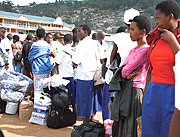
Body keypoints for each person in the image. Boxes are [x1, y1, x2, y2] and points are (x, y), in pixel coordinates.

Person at [142, 0, 180, 137]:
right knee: (150, 129)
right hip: (154, 91)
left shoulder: (174, 38)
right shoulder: (156, 37)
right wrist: (145, 97)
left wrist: (172, 40)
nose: (156, 22)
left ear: (170, 16)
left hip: (173, 91)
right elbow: (150, 70)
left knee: (170, 128)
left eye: (158, 18)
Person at [111, 15, 151, 137]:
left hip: (134, 91)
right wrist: (125, 74)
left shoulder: (144, 49)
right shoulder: (134, 49)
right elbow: (124, 70)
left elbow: (124, 71)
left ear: (143, 32)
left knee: (131, 124)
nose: (129, 32)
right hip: (128, 89)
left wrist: (125, 74)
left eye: (133, 29)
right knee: (125, 125)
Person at [72, 24, 100, 119]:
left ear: (85, 32)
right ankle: (91, 118)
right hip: (93, 75)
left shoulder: (82, 44)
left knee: (84, 99)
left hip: (84, 75)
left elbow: (76, 60)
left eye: (80, 31)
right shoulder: (94, 43)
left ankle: (86, 121)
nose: (78, 33)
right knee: (91, 99)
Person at [28, 28, 54, 97]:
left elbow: (30, 57)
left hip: (37, 69)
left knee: (37, 88)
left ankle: (38, 105)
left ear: (36, 35)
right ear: (45, 35)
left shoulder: (34, 45)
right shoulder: (48, 45)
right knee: (45, 87)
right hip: (47, 69)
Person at [55, 34, 76, 112]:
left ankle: (64, 110)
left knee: (63, 95)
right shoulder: (73, 51)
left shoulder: (62, 50)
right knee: (72, 94)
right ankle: (74, 111)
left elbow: (57, 62)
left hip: (63, 76)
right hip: (71, 75)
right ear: (71, 41)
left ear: (63, 41)